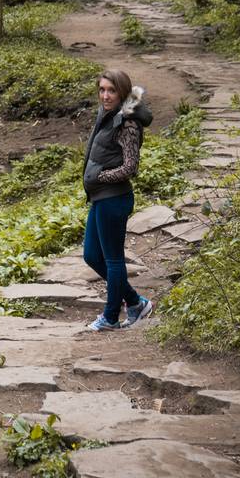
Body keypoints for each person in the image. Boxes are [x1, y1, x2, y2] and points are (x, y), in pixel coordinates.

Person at [81, 69, 155, 331]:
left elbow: (130, 167)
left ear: (122, 92)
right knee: (91, 255)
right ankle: (135, 302)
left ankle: (111, 317)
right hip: (100, 198)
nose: (105, 95)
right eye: (101, 90)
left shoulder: (128, 123)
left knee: (113, 260)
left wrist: (100, 177)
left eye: (111, 90)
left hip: (114, 198)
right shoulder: (108, 115)